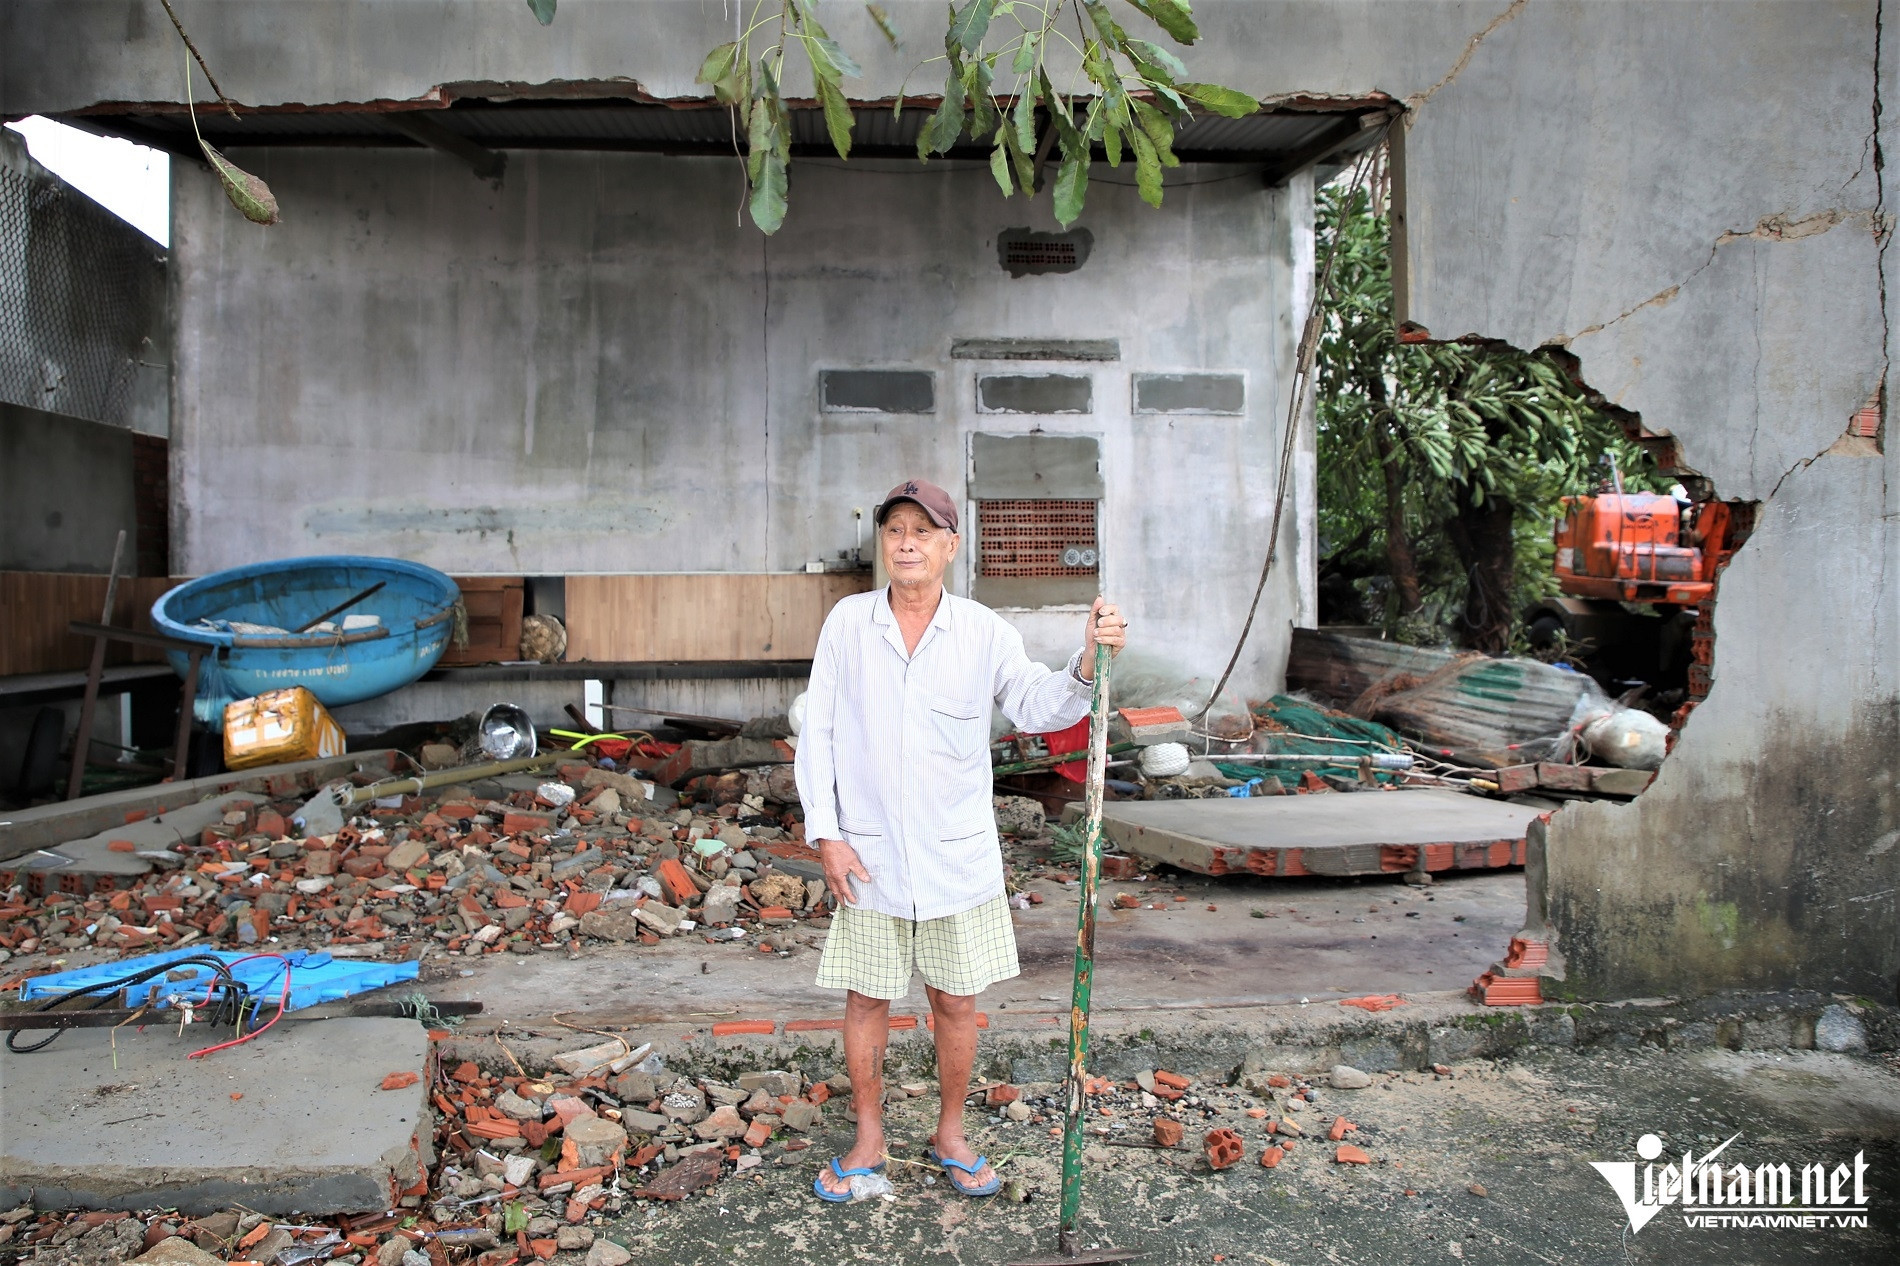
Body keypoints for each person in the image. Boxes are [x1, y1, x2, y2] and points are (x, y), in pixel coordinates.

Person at [795, 477, 1128, 1202]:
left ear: (950, 545)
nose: (906, 542)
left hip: (957, 856)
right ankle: (869, 1135)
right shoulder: (848, 624)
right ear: (883, 544)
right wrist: (826, 833)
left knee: (954, 1001)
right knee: (867, 998)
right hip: (870, 855)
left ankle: (950, 1131)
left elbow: (1037, 705)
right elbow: (816, 732)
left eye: (923, 530)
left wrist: (1083, 662)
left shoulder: (983, 631)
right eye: (894, 530)